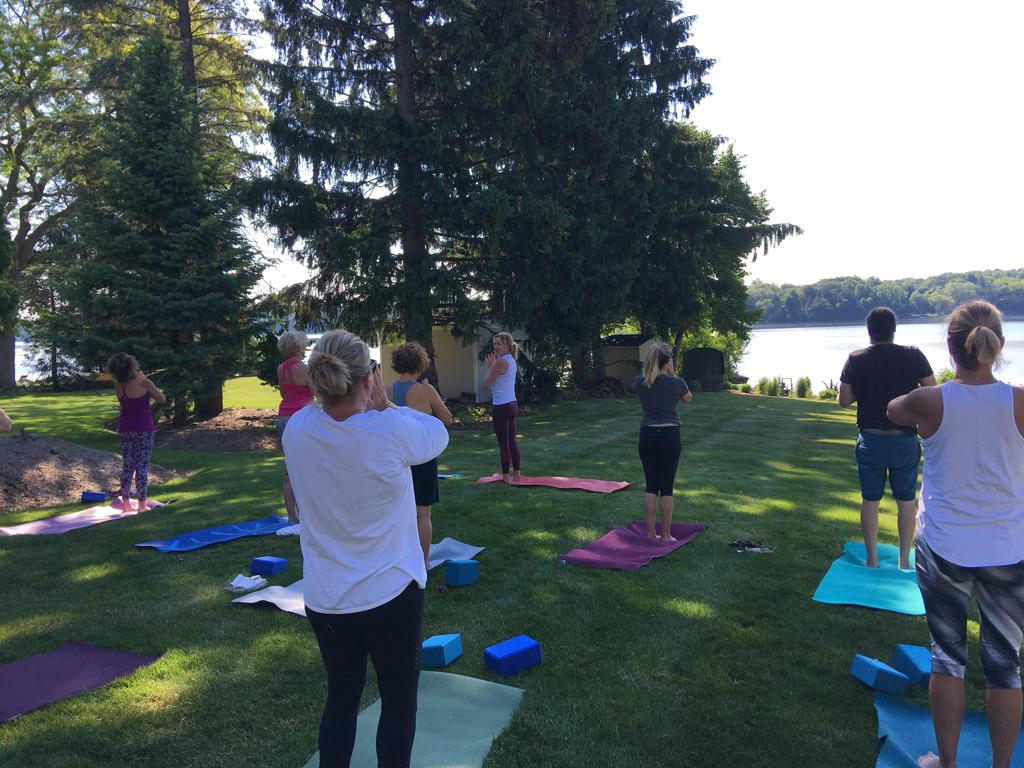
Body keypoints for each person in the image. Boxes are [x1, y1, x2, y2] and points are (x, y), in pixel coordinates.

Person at [283, 329, 449, 768]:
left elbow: (331, 422)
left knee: (341, 699)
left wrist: (372, 406)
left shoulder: (297, 430)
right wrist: (387, 405)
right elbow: (438, 432)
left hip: (326, 597)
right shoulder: (390, 428)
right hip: (391, 594)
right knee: (398, 703)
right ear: (367, 380)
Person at [888, 301, 1024, 768]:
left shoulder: (931, 400)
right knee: (1005, 667)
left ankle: (947, 763)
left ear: (951, 349)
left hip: (944, 548)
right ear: (998, 345)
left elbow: (893, 409)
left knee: (947, 658)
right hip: (1009, 549)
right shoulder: (1021, 400)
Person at [839, 307, 936, 569]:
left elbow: (844, 401)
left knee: (871, 500)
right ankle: (904, 561)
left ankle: (871, 561)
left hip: (870, 440)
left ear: (869, 331)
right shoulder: (913, 355)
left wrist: (868, 388)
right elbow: (934, 392)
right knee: (906, 500)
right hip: (903, 440)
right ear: (894, 330)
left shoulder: (855, 359)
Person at [390, 342, 453, 570]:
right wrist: (429, 395)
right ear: (420, 365)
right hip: (422, 458)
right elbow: (447, 419)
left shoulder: (387, 390)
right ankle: (424, 561)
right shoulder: (426, 390)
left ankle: (399, 559)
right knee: (422, 513)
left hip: (395, 459)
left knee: (397, 513)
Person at [634, 341, 692, 542]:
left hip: (647, 436)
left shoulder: (640, 382)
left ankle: (650, 534)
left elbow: (650, 382)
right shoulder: (676, 382)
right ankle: (666, 535)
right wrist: (672, 372)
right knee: (666, 487)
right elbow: (688, 398)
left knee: (651, 486)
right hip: (669, 436)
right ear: (668, 361)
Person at [106, 353, 165, 511]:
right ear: (132, 366)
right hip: (143, 428)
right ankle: (141, 505)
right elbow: (161, 399)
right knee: (141, 466)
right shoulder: (143, 382)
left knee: (127, 466)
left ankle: (126, 504)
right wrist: (146, 381)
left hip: (125, 428)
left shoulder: (118, 385)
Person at [277, 330, 314, 524]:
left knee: (290, 467)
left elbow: (285, 392)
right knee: (306, 466)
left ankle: (292, 516)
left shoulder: (281, 368)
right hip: (301, 417)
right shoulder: (302, 367)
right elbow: (316, 391)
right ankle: (308, 515)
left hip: (283, 416)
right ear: (298, 346)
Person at [483, 332, 521, 482]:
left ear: (507, 346)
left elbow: (486, 384)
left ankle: (505, 476)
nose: (496, 347)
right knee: (512, 441)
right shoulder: (511, 360)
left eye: (499, 344)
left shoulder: (500, 362)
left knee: (503, 443)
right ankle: (517, 474)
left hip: (501, 406)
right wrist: (493, 366)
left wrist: (491, 366)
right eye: (495, 344)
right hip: (512, 404)